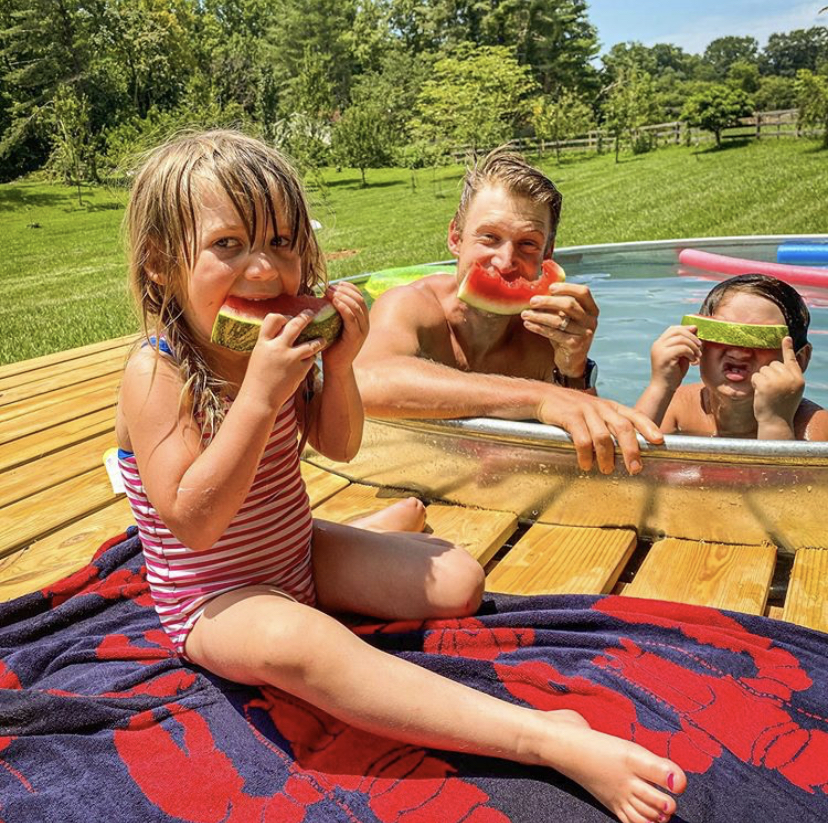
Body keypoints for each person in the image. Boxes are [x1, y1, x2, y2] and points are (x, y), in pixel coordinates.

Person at [115, 129, 686, 823]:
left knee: (460, 581)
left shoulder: (282, 343)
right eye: (229, 244)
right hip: (214, 598)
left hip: (295, 555)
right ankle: (543, 737)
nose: (264, 268)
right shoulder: (158, 370)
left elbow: (339, 444)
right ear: (158, 263)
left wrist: (339, 367)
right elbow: (195, 522)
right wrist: (261, 395)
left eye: (283, 241)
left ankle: (375, 529)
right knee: (302, 644)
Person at [354, 148, 664, 476]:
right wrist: (538, 397)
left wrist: (572, 368)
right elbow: (367, 381)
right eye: (489, 237)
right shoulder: (411, 305)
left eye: (528, 244)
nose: (505, 262)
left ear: (548, 252)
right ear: (456, 238)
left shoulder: (547, 330)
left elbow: (591, 456)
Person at [636, 273, 828, 440]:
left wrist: (776, 423)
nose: (739, 352)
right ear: (697, 342)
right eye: (722, 334)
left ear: (799, 359)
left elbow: (781, 474)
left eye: (761, 338)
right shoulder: (677, 407)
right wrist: (660, 386)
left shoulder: (815, 427)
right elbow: (625, 464)